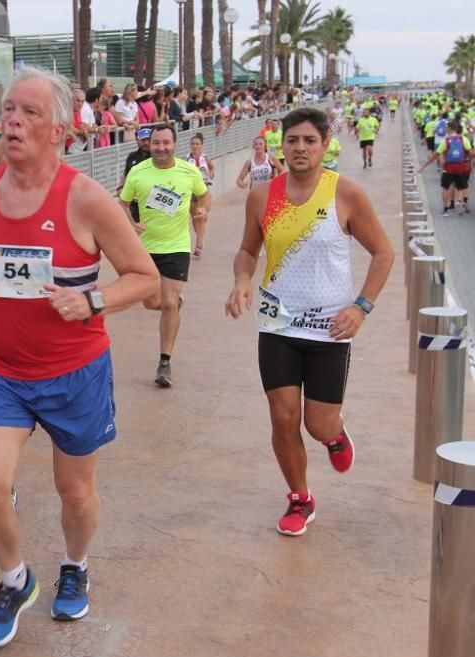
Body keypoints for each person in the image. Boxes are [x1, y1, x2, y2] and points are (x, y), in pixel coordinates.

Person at [0, 66, 159, 648]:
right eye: (7, 110)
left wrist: (92, 299)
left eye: (29, 113)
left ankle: (76, 563)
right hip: (2, 370)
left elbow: (145, 279)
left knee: (75, 492)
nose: (11, 121)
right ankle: (15, 579)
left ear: (61, 131)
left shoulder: (86, 199)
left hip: (75, 373)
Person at [225, 107, 394, 537]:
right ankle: (300, 498)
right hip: (277, 326)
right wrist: (243, 279)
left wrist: (361, 307)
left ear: (324, 145)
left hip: (329, 331)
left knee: (316, 424)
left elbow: (384, 252)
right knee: (283, 418)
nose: (300, 148)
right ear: (283, 144)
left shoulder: (346, 194)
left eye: (309, 141)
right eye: (293, 140)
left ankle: (335, 435)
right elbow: (247, 250)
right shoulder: (263, 195)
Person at [119, 123, 211, 388]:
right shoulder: (138, 172)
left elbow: (206, 197)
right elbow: (122, 203)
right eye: (156, 143)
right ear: (151, 144)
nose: (161, 148)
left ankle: (164, 361)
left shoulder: (188, 170)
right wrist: (131, 224)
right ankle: (173, 305)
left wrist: (204, 211)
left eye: (166, 143)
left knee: (169, 304)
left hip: (177, 246)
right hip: (145, 248)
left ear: (174, 143)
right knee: (150, 303)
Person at [419, 120, 472, 216]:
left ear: (450, 129)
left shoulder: (445, 140)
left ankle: (445, 209)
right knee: (461, 186)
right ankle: (459, 201)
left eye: (447, 128)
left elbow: (435, 155)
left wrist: (424, 166)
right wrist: (469, 163)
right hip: (460, 167)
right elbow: (471, 152)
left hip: (448, 168)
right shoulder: (463, 139)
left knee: (445, 187)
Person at [186, 133, 215, 259]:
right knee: (194, 217)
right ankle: (199, 238)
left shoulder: (206, 158)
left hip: (203, 190)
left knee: (201, 216)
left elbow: (212, 168)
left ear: (201, 146)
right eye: (193, 144)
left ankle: (199, 243)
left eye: (197, 144)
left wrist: (211, 174)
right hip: (191, 190)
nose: (195, 146)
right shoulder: (186, 159)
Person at [116, 127, 152, 223]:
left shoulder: (156, 157)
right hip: (133, 204)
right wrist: (120, 187)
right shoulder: (132, 156)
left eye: (148, 139)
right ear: (137, 140)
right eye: (143, 140)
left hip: (150, 205)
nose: (146, 143)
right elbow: (126, 173)